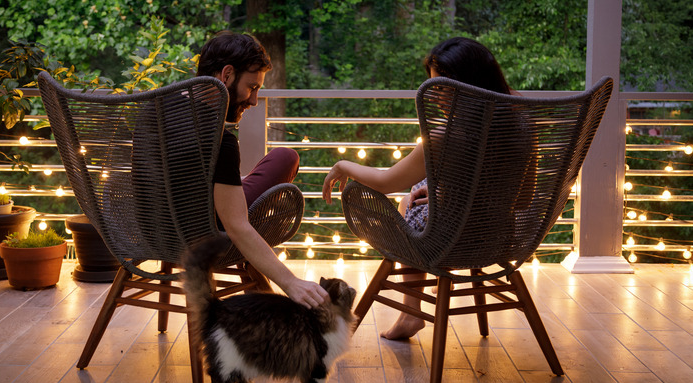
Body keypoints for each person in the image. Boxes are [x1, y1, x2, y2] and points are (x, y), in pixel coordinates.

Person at [322, 37, 513, 338]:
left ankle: (410, 313)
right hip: (501, 237)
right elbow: (524, 197)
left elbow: (387, 181)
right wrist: (445, 195)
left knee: (405, 205)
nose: (435, 95)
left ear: (467, 83)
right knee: (421, 192)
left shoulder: (446, 136)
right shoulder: (522, 125)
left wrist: (344, 165)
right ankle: (409, 314)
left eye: (442, 85)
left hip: (451, 240)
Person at [197, 31, 328, 309]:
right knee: (286, 157)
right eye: (252, 87)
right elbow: (237, 226)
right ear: (227, 75)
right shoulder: (220, 140)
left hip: (158, 228)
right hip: (210, 230)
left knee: (275, 161)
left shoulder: (154, 114)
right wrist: (291, 282)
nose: (254, 100)